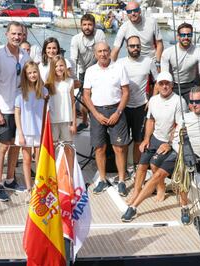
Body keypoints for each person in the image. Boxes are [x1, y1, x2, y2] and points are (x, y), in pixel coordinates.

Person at [121, 86, 200, 223]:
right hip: (178, 152)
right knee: (157, 173)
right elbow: (175, 134)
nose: (194, 105)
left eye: (198, 101)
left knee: (183, 177)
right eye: (191, 101)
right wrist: (169, 143)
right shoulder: (185, 117)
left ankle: (184, 207)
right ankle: (134, 207)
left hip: (196, 158)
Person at [126, 71, 187, 206]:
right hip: (155, 138)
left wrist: (169, 144)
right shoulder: (153, 100)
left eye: (167, 84)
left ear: (172, 86)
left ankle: (161, 188)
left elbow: (179, 126)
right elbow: (150, 121)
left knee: (154, 165)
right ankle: (136, 191)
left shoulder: (179, 101)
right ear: (157, 86)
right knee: (141, 165)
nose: (164, 86)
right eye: (161, 84)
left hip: (170, 141)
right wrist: (146, 139)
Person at [0, 21, 30, 202]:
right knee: (3, 146)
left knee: (16, 146)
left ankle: (10, 179)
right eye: (13, 34)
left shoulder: (26, 56)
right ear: (7, 34)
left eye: (19, 34)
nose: (16, 37)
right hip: (4, 109)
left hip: (21, 109)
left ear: (24, 36)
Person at [83, 41, 130, 197]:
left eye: (105, 50)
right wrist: (96, 114)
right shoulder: (90, 71)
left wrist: (118, 112)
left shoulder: (119, 67)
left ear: (110, 51)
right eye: (100, 51)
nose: (103, 54)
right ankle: (102, 179)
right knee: (99, 148)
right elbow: (86, 95)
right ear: (95, 54)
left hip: (116, 110)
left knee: (119, 147)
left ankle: (122, 180)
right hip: (97, 112)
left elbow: (125, 92)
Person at [116, 35, 158, 174]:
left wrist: (152, 100)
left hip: (141, 107)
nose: (135, 48)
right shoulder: (120, 63)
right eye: (132, 46)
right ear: (127, 47)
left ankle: (135, 168)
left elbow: (157, 81)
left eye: (137, 46)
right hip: (123, 107)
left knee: (138, 141)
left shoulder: (148, 61)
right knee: (122, 141)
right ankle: (124, 169)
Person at [14, 61, 48, 201]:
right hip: (26, 131)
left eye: (35, 72)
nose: (33, 75)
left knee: (39, 161)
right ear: (25, 75)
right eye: (29, 73)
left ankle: (39, 188)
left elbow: (47, 112)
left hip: (40, 132)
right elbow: (17, 114)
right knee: (27, 160)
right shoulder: (20, 92)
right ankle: (29, 189)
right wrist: (20, 134)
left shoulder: (44, 91)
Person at [70, 13, 106, 132]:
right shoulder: (76, 39)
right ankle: (85, 121)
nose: (87, 27)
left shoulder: (99, 34)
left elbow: (104, 52)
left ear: (94, 25)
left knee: (98, 97)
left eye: (90, 24)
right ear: (81, 26)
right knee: (85, 98)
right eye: (84, 24)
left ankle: (98, 120)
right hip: (82, 71)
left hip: (98, 69)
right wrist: (74, 79)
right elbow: (73, 60)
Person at [160, 23, 200, 101]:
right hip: (173, 86)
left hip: (191, 86)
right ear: (178, 36)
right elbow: (164, 76)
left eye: (188, 35)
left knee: (196, 107)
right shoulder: (168, 53)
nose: (186, 37)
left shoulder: (199, 52)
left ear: (192, 36)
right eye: (183, 35)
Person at [111, 1, 163, 65]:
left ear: (140, 11)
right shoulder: (123, 28)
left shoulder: (152, 22)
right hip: (133, 62)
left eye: (135, 10)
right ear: (127, 14)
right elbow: (115, 49)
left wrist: (158, 62)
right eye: (129, 12)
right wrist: (111, 68)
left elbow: (159, 44)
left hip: (152, 61)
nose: (133, 13)